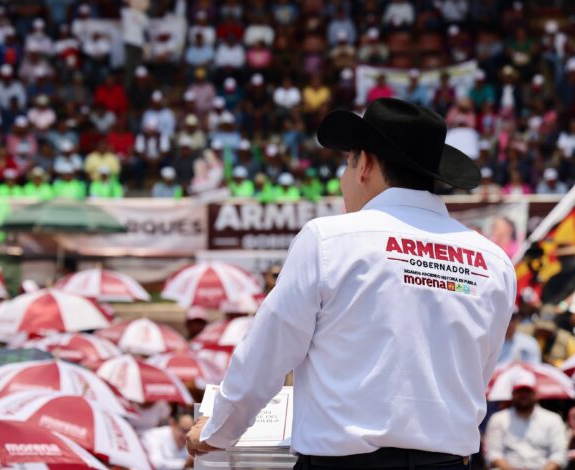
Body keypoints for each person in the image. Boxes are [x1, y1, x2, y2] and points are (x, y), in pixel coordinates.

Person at [186, 98, 516, 468]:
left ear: (366, 165)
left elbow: (267, 353)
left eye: (347, 162)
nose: (344, 178)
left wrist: (217, 431)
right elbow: (475, 373)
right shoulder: (493, 261)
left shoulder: (329, 240)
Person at [484, 373, 567, 470]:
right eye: (520, 392)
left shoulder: (553, 419)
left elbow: (559, 454)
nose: (524, 395)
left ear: (536, 394)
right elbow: (493, 454)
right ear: (513, 394)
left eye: (527, 391)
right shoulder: (498, 419)